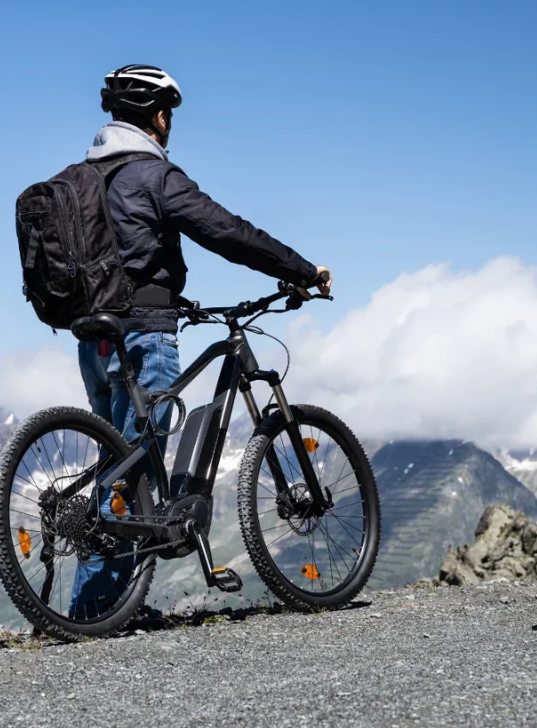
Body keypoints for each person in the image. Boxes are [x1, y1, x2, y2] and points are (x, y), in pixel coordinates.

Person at [70, 64, 331, 619]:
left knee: (117, 462)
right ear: (158, 116)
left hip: (95, 334)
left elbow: (124, 255)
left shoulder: (84, 178)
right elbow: (227, 231)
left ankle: (95, 605)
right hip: (144, 333)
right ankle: (100, 607)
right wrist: (302, 271)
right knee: (136, 465)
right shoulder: (153, 175)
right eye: (170, 115)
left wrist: (176, 299)